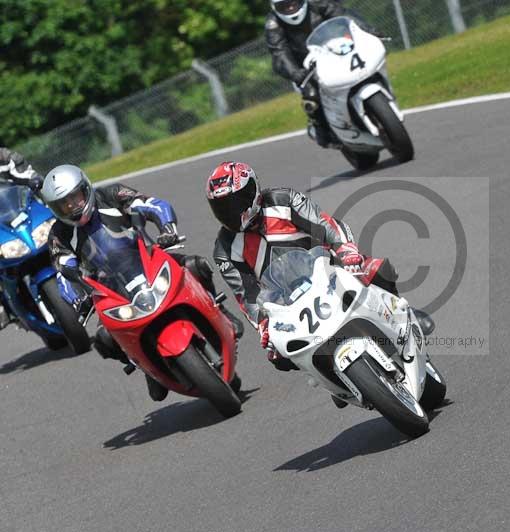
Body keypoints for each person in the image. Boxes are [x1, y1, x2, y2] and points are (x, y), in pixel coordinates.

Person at [205, 161, 434, 374]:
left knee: (376, 268)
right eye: (222, 208)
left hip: (328, 267)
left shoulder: (282, 200)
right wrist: (263, 326)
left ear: (251, 191)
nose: (230, 213)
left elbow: (325, 225)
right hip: (288, 302)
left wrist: (345, 250)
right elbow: (247, 296)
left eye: (234, 203)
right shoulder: (224, 249)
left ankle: (404, 316)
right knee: (279, 357)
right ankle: (332, 375)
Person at [40, 164, 243, 401]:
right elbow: (62, 270)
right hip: (110, 290)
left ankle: (220, 309)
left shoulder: (111, 194)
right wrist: (78, 298)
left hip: (150, 261)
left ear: (85, 188)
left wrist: (167, 227)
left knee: (195, 265)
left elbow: (150, 204)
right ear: (55, 209)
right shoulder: (58, 234)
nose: (72, 206)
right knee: (105, 339)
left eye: (75, 197)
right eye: (64, 204)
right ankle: (143, 365)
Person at [265, 0, 378, 148]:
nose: (291, 7)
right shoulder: (273, 24)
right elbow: (279, 52)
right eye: (284, 6)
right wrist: (295, 73)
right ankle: (323, 129)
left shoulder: (317, 3)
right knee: (311, 97)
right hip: (304, 68)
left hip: (335, 50)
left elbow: (345, 16)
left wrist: (369, 31)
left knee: (365, 66)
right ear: (275, 8)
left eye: (293, 2)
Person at [0, 148, 43, 329]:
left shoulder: (5, 157)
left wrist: (35, 179)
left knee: (60, 227)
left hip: (21, 214)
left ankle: (87, 267)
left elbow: (28, 173)